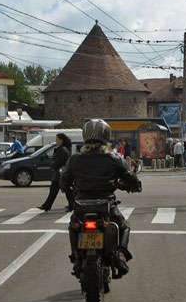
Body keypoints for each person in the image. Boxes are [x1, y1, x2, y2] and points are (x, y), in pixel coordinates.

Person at [61, 119, 142, 278]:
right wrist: (132, 186)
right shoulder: (114, 158)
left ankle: (75, 256)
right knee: (124, 226)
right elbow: (131, 179)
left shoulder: (75, 159)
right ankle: (120, 254)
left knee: (73, 226)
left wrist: (71, 188)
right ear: (106, 136)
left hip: (82, 205)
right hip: (105, 204)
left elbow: (64, 182)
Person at [37, 133, 72, 212]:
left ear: (61, 140)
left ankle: (47, 206)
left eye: (57, 139)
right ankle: (47, 205)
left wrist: (53, 166)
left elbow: (58, 161)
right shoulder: (62, 149)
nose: (56, 141)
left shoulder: (63, 150)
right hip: (61, 173)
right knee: (61, 190)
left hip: (60, 173)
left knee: (61, 189)